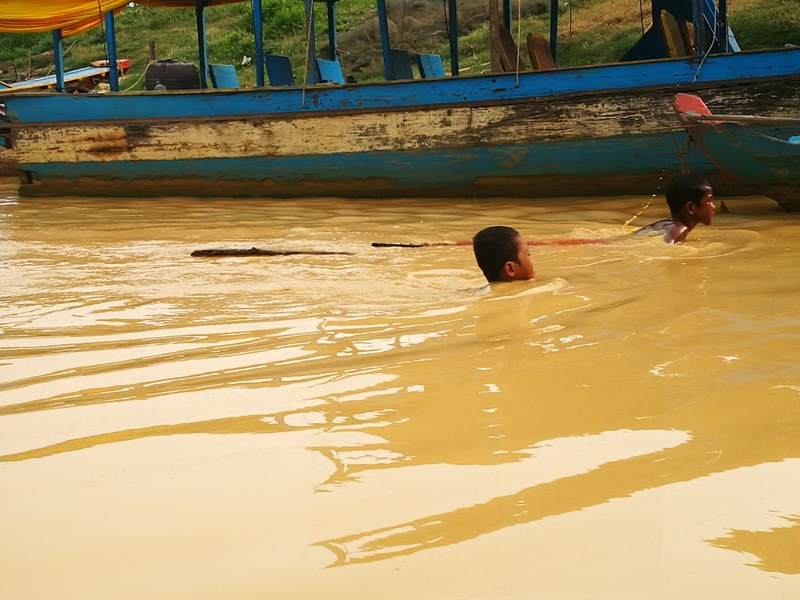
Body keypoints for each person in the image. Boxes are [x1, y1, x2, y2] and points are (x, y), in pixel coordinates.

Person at [635, 172, 716, 243]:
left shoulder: (664, 225)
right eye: (708, 201)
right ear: (691, 208)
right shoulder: (680, 230)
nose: (713, 206)